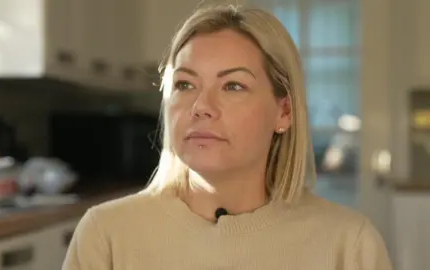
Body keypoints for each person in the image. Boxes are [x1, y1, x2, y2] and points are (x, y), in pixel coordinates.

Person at [63, 4, 393, 270]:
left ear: (284, 111)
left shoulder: (350, 246)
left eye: (233, 86)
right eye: (185, 85)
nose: (201, 106)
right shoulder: (105, 235)